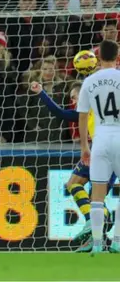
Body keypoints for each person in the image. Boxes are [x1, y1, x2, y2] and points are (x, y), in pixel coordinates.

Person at [29, 80, 115, 252]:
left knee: (88, 196)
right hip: (97, 153)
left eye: (75, 97)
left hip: (108, 154)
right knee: (77, 188)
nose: (74, 101)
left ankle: (99, 226)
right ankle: (97, 230)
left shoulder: (100, 109)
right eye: (72, 99)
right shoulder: (84, 113)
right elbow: (60, 113)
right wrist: (41, 93)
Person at [76, 39, 120, 255]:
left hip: (100, 140)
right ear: (117, 56)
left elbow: (82, 116)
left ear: (99, 56)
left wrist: (85, 146)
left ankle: (96, 244)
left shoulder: (90, 81)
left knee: (97, 196)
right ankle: (117, 242)